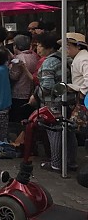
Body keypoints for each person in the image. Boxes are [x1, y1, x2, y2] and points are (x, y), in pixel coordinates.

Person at [30, 33, 75, 172]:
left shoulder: (49, 62)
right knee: (69, 131)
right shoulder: (64, 58)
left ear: (48, 48)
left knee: (54, 131)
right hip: (67, 99)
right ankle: (70, 162)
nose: (37, 48)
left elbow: (47, 86)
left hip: (52, 103)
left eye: (39, 45)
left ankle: (56, 163)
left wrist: (37, 94)